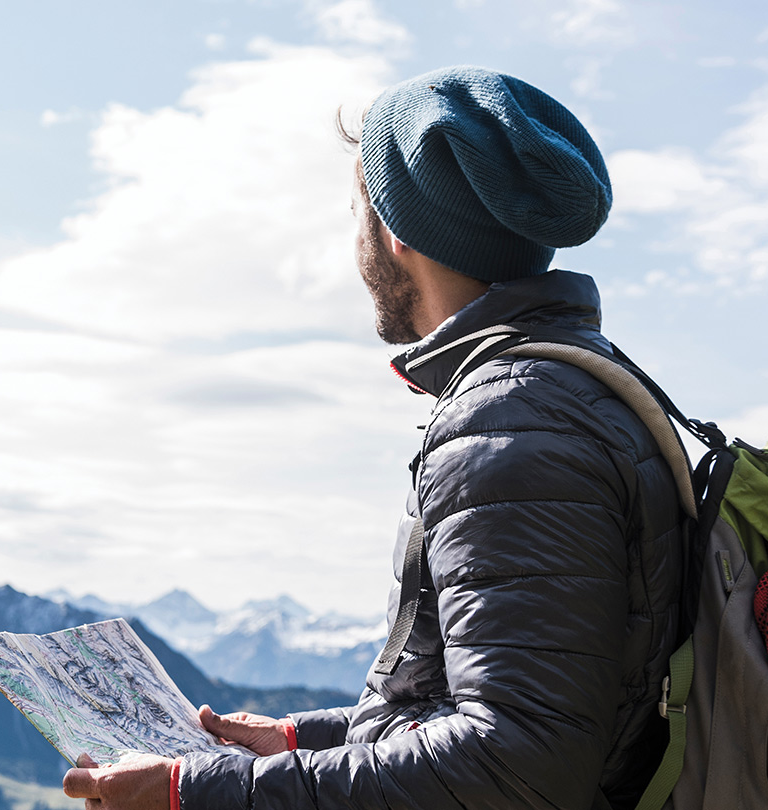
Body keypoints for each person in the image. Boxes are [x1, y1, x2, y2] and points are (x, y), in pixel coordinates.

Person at [64, 65, 687, 810]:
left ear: (396, 234)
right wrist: (303, 743)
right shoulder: (574, 388)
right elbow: (513, 708)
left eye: (361, 211)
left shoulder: (511, 424)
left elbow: (518, 763)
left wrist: (197, 792)